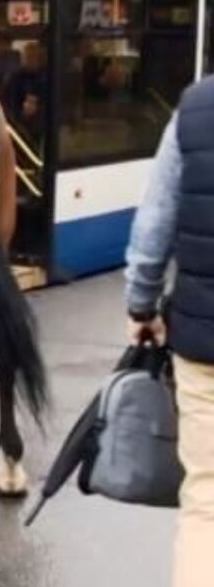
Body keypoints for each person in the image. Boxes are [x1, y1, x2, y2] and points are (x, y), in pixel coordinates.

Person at [124, 75, 214, 587]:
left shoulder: (196, 108)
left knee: (206, 500)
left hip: (204, 350)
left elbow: (154, 223)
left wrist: (142, 306)